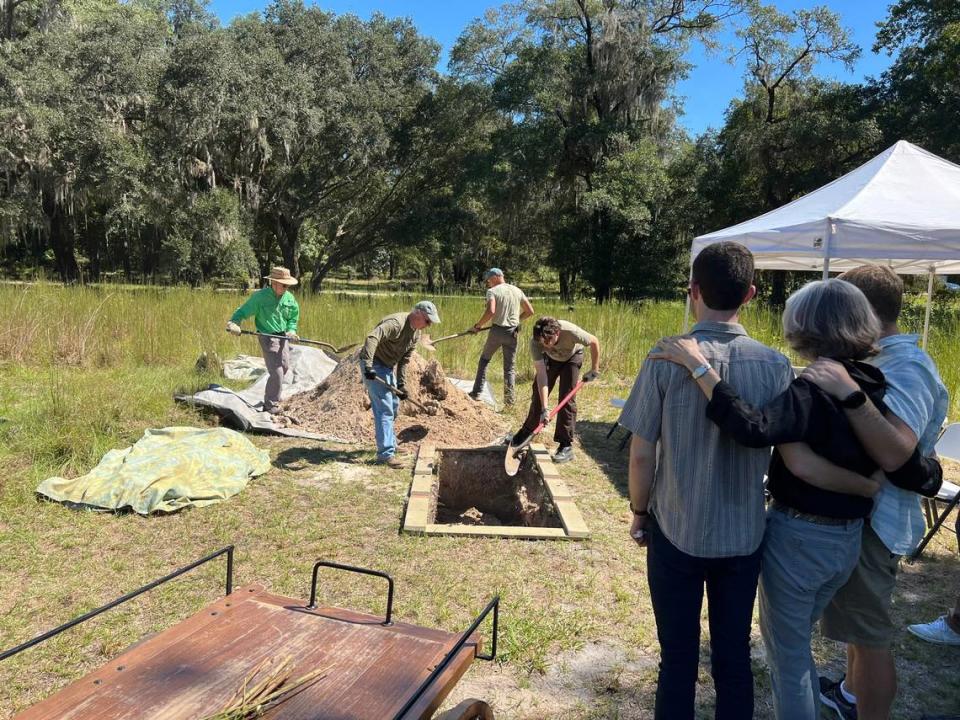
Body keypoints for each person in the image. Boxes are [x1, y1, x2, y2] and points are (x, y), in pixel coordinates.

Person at [649, 279, 942, 720]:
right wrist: (863, 487)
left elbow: (754, 429)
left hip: (803, 534)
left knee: (790, 660)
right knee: (821, 640)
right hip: (846, 541)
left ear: (803, 328)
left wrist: (700, 369)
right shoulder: (871, 381)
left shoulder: (810, 389)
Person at [619, 241, 795, 720]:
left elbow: (641, 452)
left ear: (693, 291)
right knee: (733, 656)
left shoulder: (664, 358)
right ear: (752, 294)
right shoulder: (777, 365)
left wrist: (639, 511)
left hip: (675, 528)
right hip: (744, 535)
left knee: (676, 659)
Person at [802, 265, 948, 720]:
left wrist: (848, 395)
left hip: (877, 522)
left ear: (858, 311)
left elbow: (897, 452)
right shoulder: (879, 357)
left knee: (869, 636)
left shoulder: (907, 366)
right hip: (859, 515)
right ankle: (849, 695)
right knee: (853, 629)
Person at [359, 301, 441, 468]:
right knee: (384, 408)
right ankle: (385, 454)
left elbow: (404, 361)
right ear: (417, 314)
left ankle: (391, 444)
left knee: (394, 405)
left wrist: (402, 386)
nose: (428, 325)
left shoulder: (415, 333)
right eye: (427, 321)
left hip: (387, 367)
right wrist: (368, 366)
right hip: (374, 364)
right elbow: (372, 337)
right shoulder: (396, 324)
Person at [509, 316, 599, 463]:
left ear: (557, 333)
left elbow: (594, 341)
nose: (545, 346)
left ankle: (565, 445)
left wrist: (594, 369)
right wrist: (545, 409)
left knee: (567, 397)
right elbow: (542, 375)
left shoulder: (571, 331)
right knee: (538, 394)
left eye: (548, 342)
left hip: (572, 357)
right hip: (552, 360)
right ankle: (526, 432)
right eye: (541, 343)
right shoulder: (536, 342)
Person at [226, 266, 300, 415]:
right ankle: (270, 404)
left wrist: (292, 330)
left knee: (285, 367)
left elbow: (293, 316)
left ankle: (273, 396)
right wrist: (234, 323)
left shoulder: (289, 298)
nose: (286, 288)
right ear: (274, 282)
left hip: (283, 337)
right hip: (267, 337)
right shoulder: (260, 297)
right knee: (277, 372)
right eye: (284, 285)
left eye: (287, 285)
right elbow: (243, 311)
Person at [468, 268, 534, 405]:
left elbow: (491, 311)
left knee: (484, 360)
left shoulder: (492, 292)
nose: (488, 282)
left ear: (498, 276)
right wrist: (516, 321)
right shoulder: (517, 290)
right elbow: (530, 311)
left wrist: (478, 326)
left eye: (490, 279)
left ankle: (476, 393)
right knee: (509, 368)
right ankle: (509, 402)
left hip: (497, 331)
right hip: (513, 332)